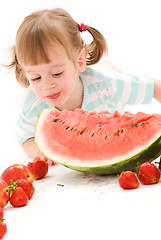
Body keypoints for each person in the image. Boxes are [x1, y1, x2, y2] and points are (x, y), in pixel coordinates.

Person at [5, 8, 161, 159]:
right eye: (35, 78)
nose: (47, 86)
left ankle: (109, 67)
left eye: (57, 73)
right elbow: (25, 138)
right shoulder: (31, 107)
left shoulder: (106, 85)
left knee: (113, 75)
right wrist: (41, 151)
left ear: (80, 61)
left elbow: (154, 87)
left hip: (106, 82)